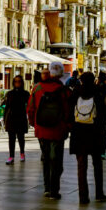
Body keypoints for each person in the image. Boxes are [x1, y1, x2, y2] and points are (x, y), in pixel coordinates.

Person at [27, 60, 72, 200]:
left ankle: (46, 188)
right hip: (58, 130)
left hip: (41, 130)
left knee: (46, 159)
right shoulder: (65, 91)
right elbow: (69, 112)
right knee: (56, 160)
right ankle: (54, 190)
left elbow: (30, 109)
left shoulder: (37, 88)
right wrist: (67, 126)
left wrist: (34, 124)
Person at [70, 72, 106, 205]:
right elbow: (103, 113)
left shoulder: (76, 92)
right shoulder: (98, 92)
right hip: (95, 133)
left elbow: (70, 111)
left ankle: (83, 196)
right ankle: (99, 193)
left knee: (81, 165)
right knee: (97, 164)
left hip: (79, 133)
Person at [3, 75, 30, 164]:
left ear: (22, 83)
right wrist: (4, 118)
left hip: (21, 118)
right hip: (11, 118)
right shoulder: (10, 93)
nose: (17, 83)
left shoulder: (26, 93)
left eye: (19, 81)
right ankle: (11, 156)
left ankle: (22, 153)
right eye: (15, 81)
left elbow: (29, 106)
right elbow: (7, 107)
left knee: (21, 137)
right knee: (11, 138)